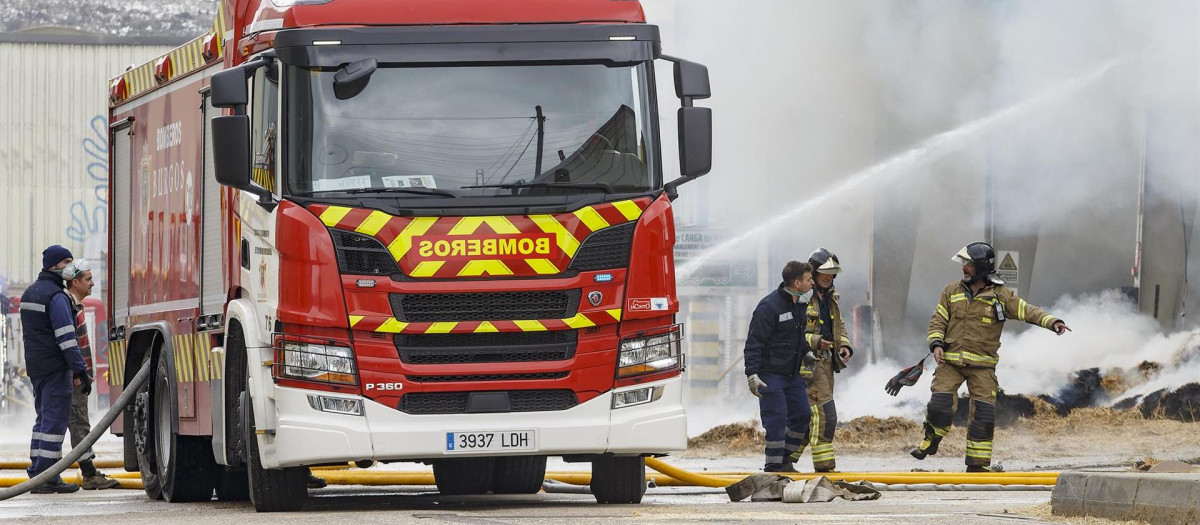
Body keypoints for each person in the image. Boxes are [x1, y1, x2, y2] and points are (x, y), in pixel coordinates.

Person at [911, 242, 1070, 472]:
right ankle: (932, 439)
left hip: (983, 367)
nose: (964, 268)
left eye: (968, 264)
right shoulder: (951, 291)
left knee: (984, 415)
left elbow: (1027, 310)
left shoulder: (1001, 295)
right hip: (951, 362)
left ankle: (977, 465)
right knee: (940, 404)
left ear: (981, 267)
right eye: (964, 264)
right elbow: (938, 320)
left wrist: (1052, 321)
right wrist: (936, 344)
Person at [19, 245, 90, 493]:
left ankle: (37, 471)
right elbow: (67, 339)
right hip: (55, 367)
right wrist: (80, 370)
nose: (69, 267)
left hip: (37, 366)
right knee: (55, 421)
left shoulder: (31, 293)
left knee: (42, 419)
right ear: (53, 265)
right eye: (66, 262)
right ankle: (48, 477)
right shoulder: (56, 297)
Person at [743, 261, 816, 472]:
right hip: (770, 375)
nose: (812, 284)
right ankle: (774, 468)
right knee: (776, 420)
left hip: (791, 375)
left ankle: (785, 459)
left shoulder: (799, 304)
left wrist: (806, 352)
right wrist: (752, 374)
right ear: (796, 282)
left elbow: (796, 336)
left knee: (802, 414)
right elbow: (753, 343)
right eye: (808, 280)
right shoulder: (768, 308)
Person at [791, 248, 853, 473]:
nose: (829, 277)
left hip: (826, 363)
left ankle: (784, 459)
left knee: (809, 417)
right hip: (809, 364)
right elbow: (793, 332)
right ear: (814, 272)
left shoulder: (830, 297)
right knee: (826, 414)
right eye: (825, 272)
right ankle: (825, 468)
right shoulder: (802, 299)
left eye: (833, 273)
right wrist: (816, 341)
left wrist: (844, 345)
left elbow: (839, 326)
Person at [61, 260, 120, 490]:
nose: (93, 283)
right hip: (75, 378)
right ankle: (88, 474)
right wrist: (79, 373)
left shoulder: (75, 306)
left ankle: (87, 472)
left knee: (80, 423)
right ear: (75, 282)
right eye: (88, 279)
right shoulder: (68, 306)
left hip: (78, 376)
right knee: (79, 424)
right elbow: (70, 344)